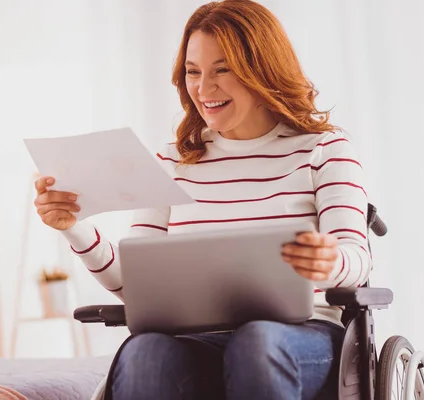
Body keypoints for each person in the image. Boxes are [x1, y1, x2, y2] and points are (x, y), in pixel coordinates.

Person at [33, 0, 370, 398]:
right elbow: (137, 287)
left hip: (302, 337)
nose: (203, 89)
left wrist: (329, 262)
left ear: (262, 69)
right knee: (145, 353)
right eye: (193, 72)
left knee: (256, 342)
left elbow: (357, 260)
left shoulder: (324, 150)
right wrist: (76, 227)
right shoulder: (172, 161)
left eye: (222, 70)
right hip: (199, 337)